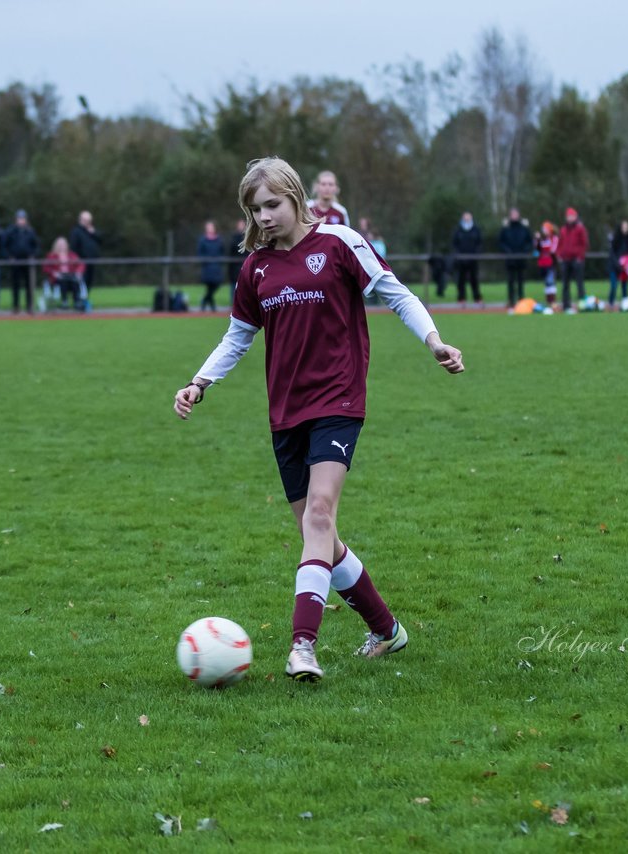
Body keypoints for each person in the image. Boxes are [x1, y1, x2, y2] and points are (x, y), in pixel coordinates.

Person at [171, 157, 465, 682]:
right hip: (285, 412)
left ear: (297, 198)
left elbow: (395, 293)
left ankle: (302, 646)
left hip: (338, 400)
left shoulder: (338, 244)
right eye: (254, 209)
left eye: (272, 205)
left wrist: (434, 340)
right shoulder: (255, 268)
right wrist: (199, 382)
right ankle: (386, 629)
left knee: (320, 516)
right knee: (320, 538)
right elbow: (238, 336)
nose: (263, 217)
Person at [4, 209, 40, 314]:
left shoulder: (30, 231)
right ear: (16, 220)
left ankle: (29, 306)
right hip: (15, 262)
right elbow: (4, 246)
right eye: (19, 219)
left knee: (29, 285)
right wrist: (9, 256)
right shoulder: (10, 231)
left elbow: (36, 246)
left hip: (27, 262)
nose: (21, 221)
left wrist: (33, 256)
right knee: (15, 285)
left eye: (23, 219)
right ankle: (16, 306)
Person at [498, 208, 534, 311]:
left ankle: (521, 301)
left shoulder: (524, 228)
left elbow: (529, 242)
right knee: (510, 281)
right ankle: (511, 301)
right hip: (510, 259)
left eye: (516, 214)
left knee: (520, 281)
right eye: (512, 214)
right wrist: (507, 251)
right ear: (510, 216)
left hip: (521, 258)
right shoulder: (505, 228)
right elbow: (501, 242)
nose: (514, 216)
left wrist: (524, 251)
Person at [43, 237, 88, 312]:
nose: (62, 246)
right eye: (60, 244)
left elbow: (81, 264)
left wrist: (78, 272)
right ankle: (64, 301)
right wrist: (54, 272)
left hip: (71, 275)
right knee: (63, 280)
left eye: (63, 244)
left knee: (75, 280)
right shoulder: (51, 256)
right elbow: (46, 268)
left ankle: (76, 301)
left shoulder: (72, 255)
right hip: (58, 277)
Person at [557, 207, 589, 314]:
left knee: (579, 284)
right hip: (565, 259)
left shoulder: (580, 229)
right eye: (568, 216)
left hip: (577, 260)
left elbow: (584, 244)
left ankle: (582, 305)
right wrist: (559, 255)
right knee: (565, 284)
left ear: (575, 217)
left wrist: (580, 257)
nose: (570, 218)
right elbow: (560, 243)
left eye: (572, 216)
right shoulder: (563, 229)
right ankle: (566, 306)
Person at [452, 211, 483, 308]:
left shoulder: (476, 229)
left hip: (473, 259)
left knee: (474, 279)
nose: (466, 219)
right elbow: (454, 244)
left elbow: (480, 243)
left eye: (468, 217)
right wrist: (458, 255)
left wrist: (475, 254)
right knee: (461, 280)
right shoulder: (458, 230)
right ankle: (461, 299)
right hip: (461, 260)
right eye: (465, 217)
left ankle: (477, 299)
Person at [69, 210, 102, 296]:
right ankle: (79, 301)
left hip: (92, 261)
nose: (87, 222)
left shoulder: (93, 231)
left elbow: (101, 240)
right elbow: (74, 247)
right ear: (80, 220)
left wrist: (93, 233)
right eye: (85, 220)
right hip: (81, 262)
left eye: (89, 220)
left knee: (89, 282)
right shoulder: (76, 231)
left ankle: (85, 300)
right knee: (80, 282)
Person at [196, 220, 226, 311]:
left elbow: (222, 251)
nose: (210, 228)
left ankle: (204, 301)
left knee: (215, 286)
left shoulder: (219, 240)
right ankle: (211, 307)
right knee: (209, 287)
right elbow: (200, 253)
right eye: (208, 227)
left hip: (216, 267)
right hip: (207, 267)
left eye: (211, 227)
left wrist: (219, 260)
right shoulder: (203, 240)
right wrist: (205, 260)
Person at [608, 220, 628, 308]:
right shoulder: (615, 239)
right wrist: (618, 264)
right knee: (614, 286)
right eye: (624, 227)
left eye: (627, 227)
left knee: (625, 287)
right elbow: (612, 254)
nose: (625, 229)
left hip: (625, 268)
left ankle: (625, 305)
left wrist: (627, 264)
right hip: (615, 267)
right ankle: (610, 304)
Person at [535, 222, 559, 310]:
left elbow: (553, 250)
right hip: (542, 264)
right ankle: (548, 301)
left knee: (550, 282)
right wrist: (537, 240)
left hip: (550, 263)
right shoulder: (542, 239)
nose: (544, 231)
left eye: (545, 229)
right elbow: (537, 249)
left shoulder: (554, 238)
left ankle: (552, 301)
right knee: (546, 283)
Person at [227, 218, 246, 298]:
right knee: (234, 288)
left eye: (242, 225)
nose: (241, 227)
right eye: (239, 225)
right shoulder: (234, 239)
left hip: (245, 267)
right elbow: (231, 253)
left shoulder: (248, 239)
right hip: (235, 269)